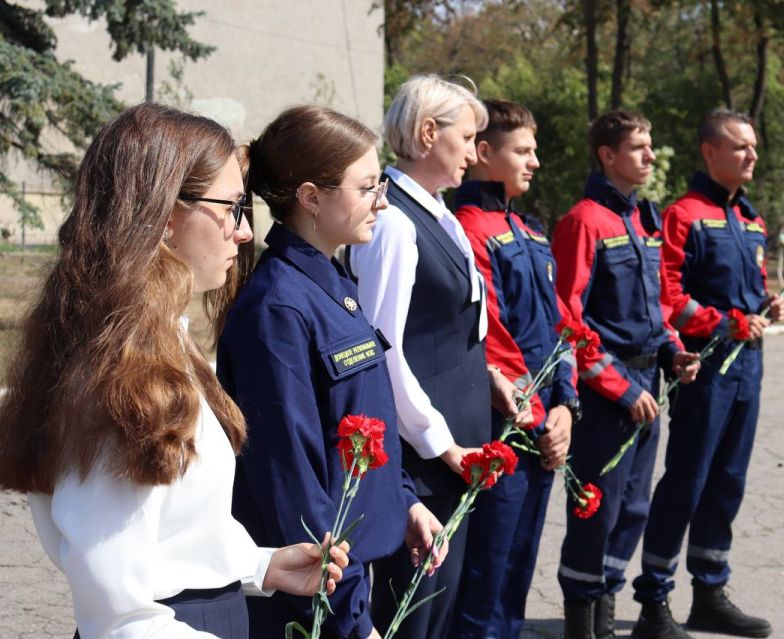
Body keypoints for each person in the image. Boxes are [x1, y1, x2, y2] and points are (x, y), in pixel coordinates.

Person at [0, 103, 348, 638]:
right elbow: (120, 612)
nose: (243, 233)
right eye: (233, 207)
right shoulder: (118, 374)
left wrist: (258, 565)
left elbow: (168, 528)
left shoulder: (161, 340)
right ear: (164, 217)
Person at [215, 105, 448, 639]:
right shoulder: (278, 308)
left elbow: (363, 415)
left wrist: (404, 501)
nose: (382, 201)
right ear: (312, 197)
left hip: (350, 574)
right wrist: (347, 617)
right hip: (313, 603)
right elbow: (290, 482)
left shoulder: (332, 286)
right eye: (367, 186)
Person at [347, 75, 531, 639]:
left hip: (456, 454)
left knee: (440, 612)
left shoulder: (438, 214)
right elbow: (384, 352)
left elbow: (449, 331)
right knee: (413, 618)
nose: (478, 151)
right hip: (426, 463)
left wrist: (490, 375)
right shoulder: (395, 223)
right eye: (469, 136)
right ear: (428, 133)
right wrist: (441, 443)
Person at [630, 109, 784, 639]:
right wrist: (725, 323)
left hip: (749, 369)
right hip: (705, 369)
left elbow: (751, 288)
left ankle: (709, 591)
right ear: (709, 152)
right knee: (688, 481)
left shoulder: (750, 218)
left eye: (755, 147)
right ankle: (654, 601)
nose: (752, 156)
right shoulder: (684, 216)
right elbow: (668, 298)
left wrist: (766, 305)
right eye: (741, 146)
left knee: (728, 482)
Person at [551, 110, 700, 639]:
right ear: (607, 155)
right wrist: (618, 385)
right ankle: (580, 622)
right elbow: (568, 320)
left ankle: (605, 616)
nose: (651, 155)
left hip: (648, 390)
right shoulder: (583, 221)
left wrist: (674, 353)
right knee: (598, 510)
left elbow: (656, 310)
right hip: (608, 399)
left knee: (633, 509)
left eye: (650, 145)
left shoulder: (643, 220)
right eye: (639, 147)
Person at [450, 99, 580, 639]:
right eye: (522, 150)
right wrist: (537, 415)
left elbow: (562, 325)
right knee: (485, 572)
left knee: (517, 569)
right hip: (503, 423)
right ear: (484, 153)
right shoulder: (467, 229)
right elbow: (492, 338)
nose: (535, 162)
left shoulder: (531, 230)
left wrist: (566, 405)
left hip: (543, 422)